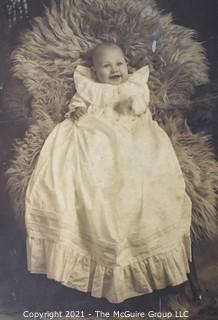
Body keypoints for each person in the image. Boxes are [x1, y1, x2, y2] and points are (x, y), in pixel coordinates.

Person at [25, 43, 192, 304]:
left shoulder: (134, 85)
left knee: (144, 175)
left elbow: (142, 104)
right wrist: (76, 110)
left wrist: (136, 105)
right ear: (94, 71)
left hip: (132, 133)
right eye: (106, 66)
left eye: (119, 63)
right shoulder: (89, 87)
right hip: (95, 136)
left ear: (127, 65)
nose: (115, 69)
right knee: (90, 175)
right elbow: (77, 104)